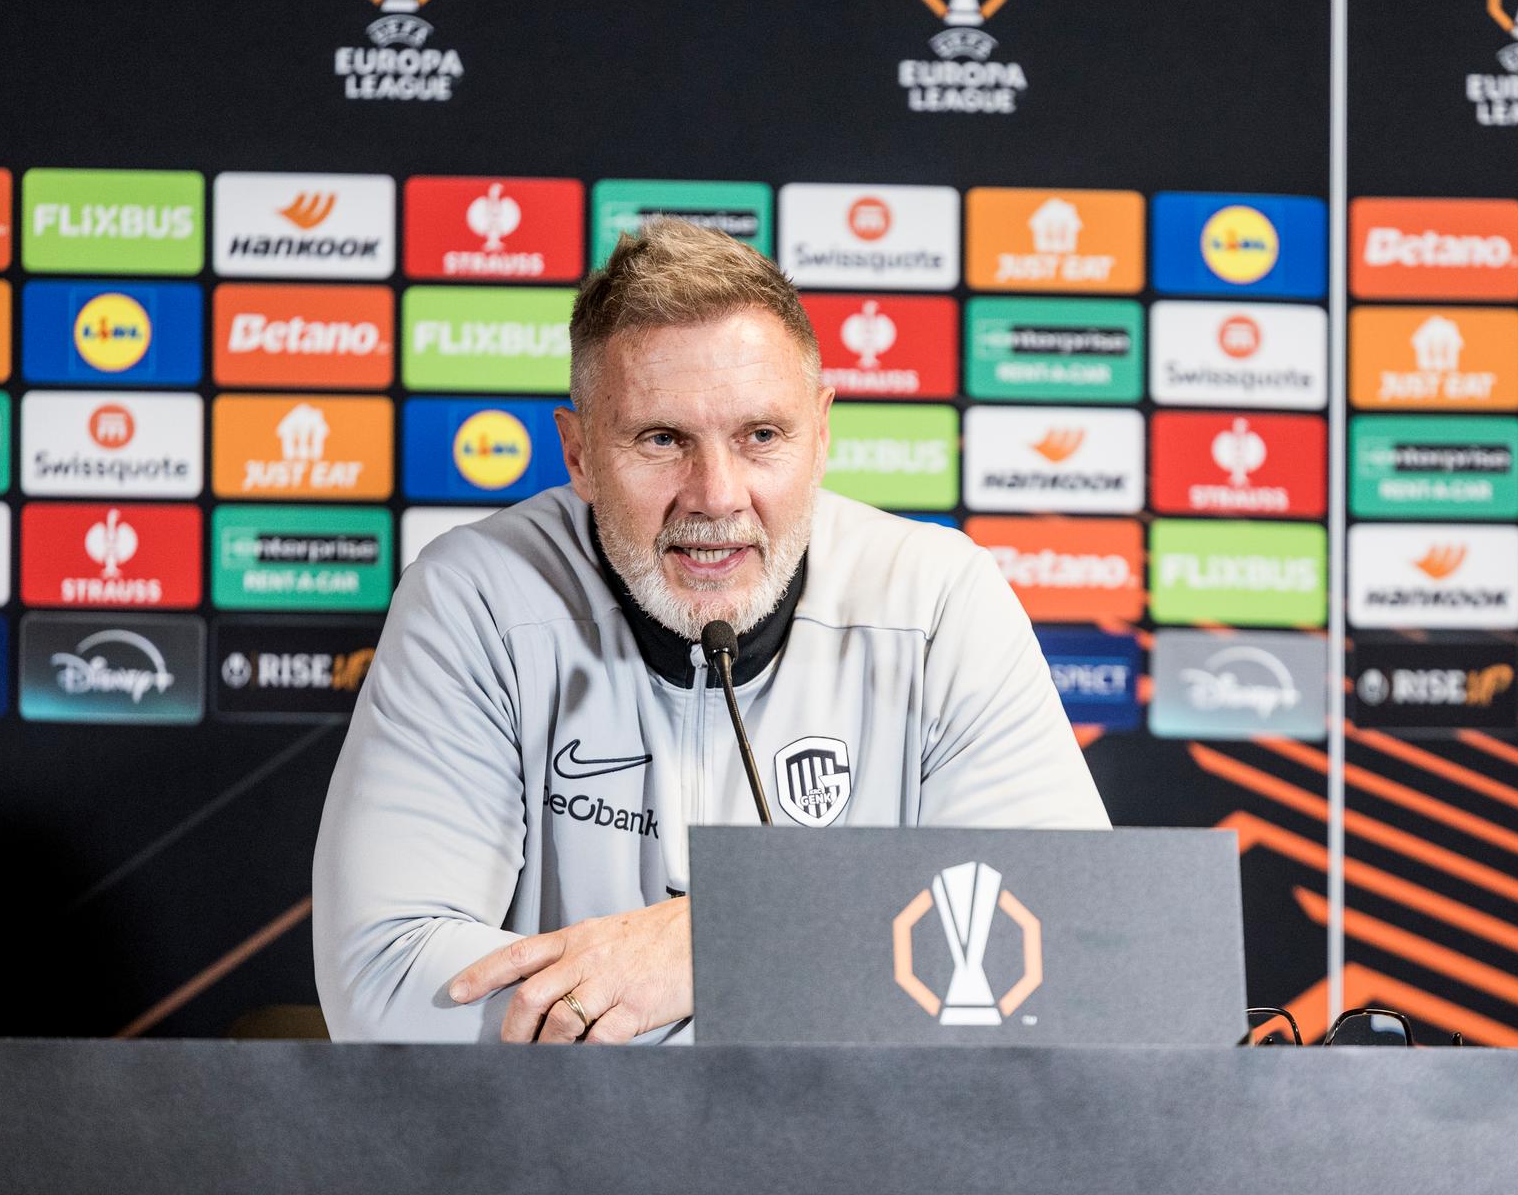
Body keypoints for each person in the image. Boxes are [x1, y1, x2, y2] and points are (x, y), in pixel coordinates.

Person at [312, 218, 1109, 1044]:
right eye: (662, 440)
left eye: (761, 436)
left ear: (822, 433)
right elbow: (391, 982)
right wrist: (820, 981)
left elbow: (1054, 942)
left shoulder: (940, 601)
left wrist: (715, 944)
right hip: (564, 1168)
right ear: (579, 452)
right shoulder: (474, 597)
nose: (717, 496)